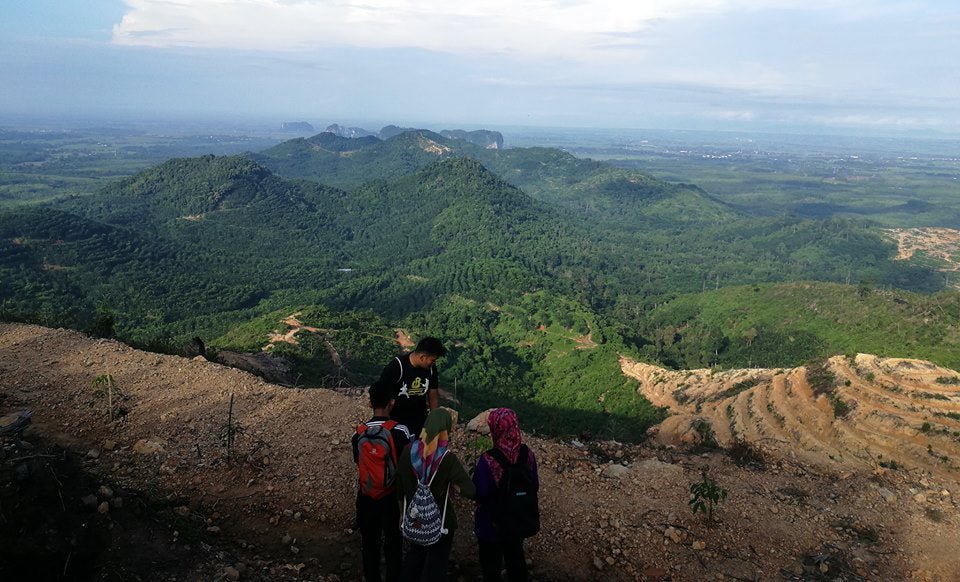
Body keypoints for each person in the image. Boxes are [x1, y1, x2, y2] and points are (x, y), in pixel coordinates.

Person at [397, 408, 475, 582]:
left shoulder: (407, 452)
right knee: (436, 566)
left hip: (414, 518)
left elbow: (399, 487)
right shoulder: (447, 459)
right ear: (445, 430)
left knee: (414, 558)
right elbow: (470, 491)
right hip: (442, 523)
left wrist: (402, 512)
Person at [352, 382, 412, 582]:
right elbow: (408, 465)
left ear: (370, 403)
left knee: (369, 544)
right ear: (392, 403)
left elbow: (357, 461)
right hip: (390, 496)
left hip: (366, 496)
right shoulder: (400, 431)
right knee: (393, 543)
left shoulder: (359, 432)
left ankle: (372, 578)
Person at [472, 408, 540, 582]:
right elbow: (534, 486)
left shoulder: (488, 460)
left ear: (495, 428)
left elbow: (480, 493)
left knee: (491, 569)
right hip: (517, 521)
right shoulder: (527, 455)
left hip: (491, 525)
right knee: (516, 563)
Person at [377, 337, 446, 438]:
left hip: (419, 422)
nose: (434, 363)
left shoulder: (430, 369)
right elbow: (381, 394)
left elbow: (433, 394)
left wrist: (434, 421)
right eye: (433, 360)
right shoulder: (397, 367)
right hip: (396, 422)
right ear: (422, 357)